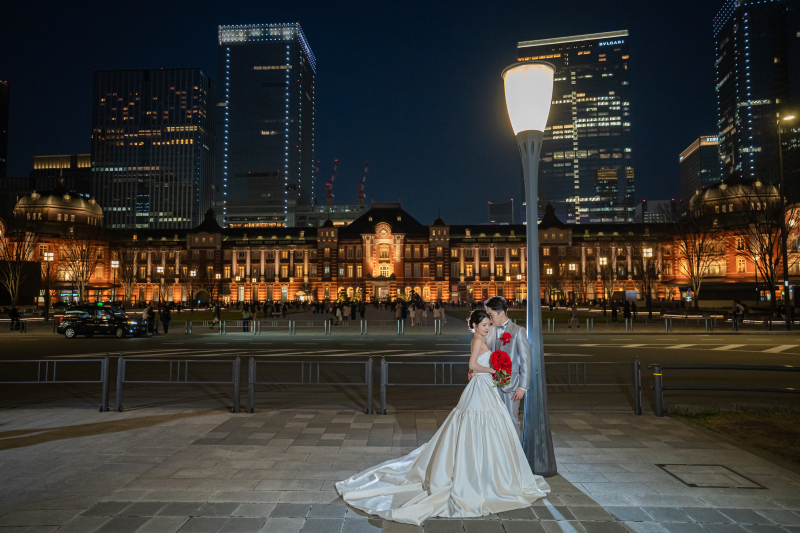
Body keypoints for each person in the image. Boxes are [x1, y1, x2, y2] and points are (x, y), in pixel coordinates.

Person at [336, 308, 550, 524]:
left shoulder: (479, 339)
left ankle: (486, 468)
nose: (488, 327)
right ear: (474, 326)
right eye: (484, 324)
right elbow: (472, 365)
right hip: (482, 386)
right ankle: (483, 470)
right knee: (479, 423)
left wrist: (488, 368)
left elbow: (475, 366)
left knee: (483, 423)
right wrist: (493, 371)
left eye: (488, 324)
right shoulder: (477, 341)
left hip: (484, 387)